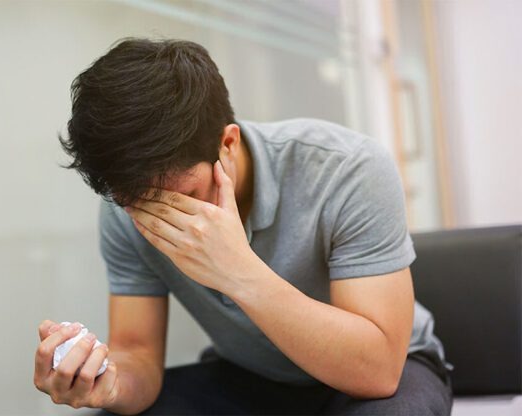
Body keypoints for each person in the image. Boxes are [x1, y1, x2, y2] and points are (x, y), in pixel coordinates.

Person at [33, 37, 454, 415]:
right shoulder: (126, 209)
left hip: (382, 371)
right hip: (250, 375)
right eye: (136, 203)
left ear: (227, 144)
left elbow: (378, 371)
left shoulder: (349, 170)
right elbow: (138, 353)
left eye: (182, 198)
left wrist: (238, 272)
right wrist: (109, 385)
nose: (161, 217)